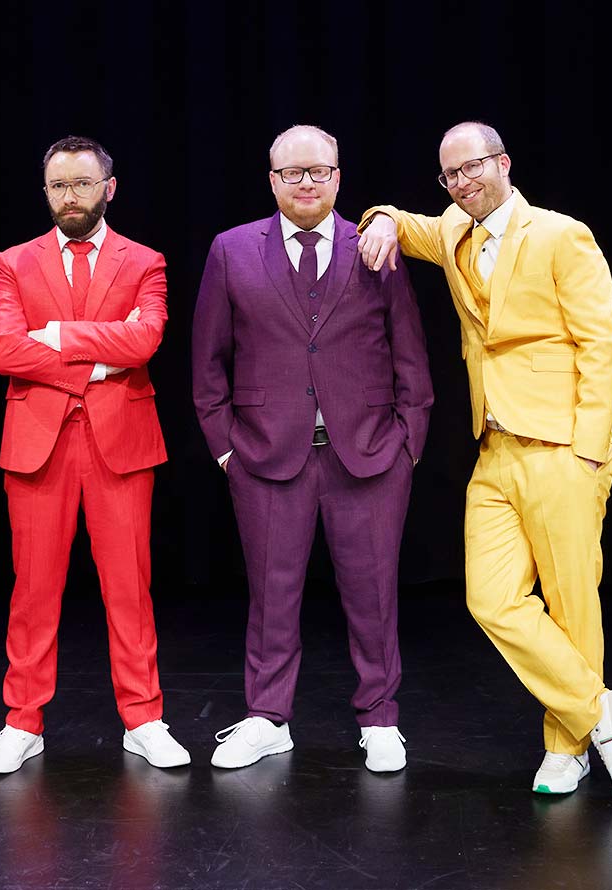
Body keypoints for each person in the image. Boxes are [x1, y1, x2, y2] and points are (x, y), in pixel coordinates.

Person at [357, 121, 612, 800]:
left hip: (562, 444)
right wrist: (380, 219)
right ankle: (603, 712)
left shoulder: (561, 235)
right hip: (494, 447)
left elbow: (602, 345)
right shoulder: (453, 231)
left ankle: (566, 749)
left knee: (571, 605)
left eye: (474, 167)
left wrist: (588, 447)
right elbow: (401, 221)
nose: (463, 182)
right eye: (450, 175)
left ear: (504, 163)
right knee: (489, 598)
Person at [190, 125, 432, 773]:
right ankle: (268, 717)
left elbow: (409, 351)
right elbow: (209, 361)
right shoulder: (232, 250)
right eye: (292, 173)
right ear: (272, 181)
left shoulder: (375, 246)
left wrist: (408, 443)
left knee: (374, 593)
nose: (306, 183)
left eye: (318, 172)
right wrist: (225, 450)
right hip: (265, 456)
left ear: (338, 177)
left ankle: (380, 716)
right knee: (271, 595)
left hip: (370, 455)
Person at [0, 136, 190, 772]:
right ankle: (23, 721)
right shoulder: (14, 263)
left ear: (109, 188)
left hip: (120, 444)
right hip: (38, 446)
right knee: (33, 591)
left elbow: (145, 340)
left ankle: (144, 717)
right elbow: (5, 350)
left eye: (82, 184)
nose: (70, 197)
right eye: (58, 186)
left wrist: (57, 337)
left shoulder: (145, 262)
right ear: (45, 192)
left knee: (129, 588)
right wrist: (98, 360)